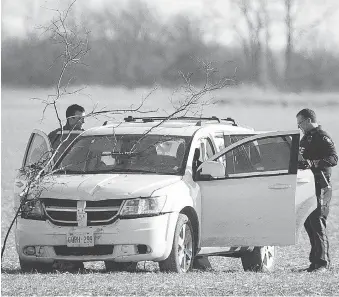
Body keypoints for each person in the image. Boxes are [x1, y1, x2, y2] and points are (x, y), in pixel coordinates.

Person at [296, 108, 337, 272]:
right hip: (307, 185)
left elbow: (333, 158)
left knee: (317, 221)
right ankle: (314, 262)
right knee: (308, 222)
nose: (299, 127)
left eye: (300, 123)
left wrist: (313, 163)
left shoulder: (322, 136)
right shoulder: (306, 138)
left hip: (321, 184)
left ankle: (323, 263)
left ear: (307, 120)